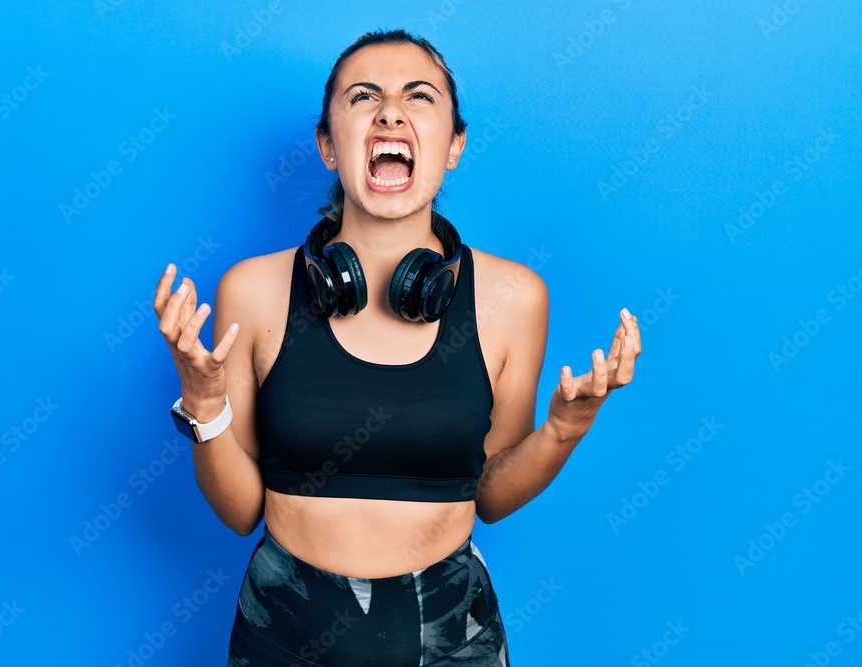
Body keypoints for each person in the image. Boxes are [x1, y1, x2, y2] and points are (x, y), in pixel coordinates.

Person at [153, 29, 640, 667]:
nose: (390, 111)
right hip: (283, 629)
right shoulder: (251, 290)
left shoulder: (515, 297)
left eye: (419, 96)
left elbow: (490, 495)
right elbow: (240, 512)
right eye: (363, 97)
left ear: (454, 146)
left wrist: (565, 429)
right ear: (328, 145)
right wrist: (204, 400)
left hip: (449, 634)